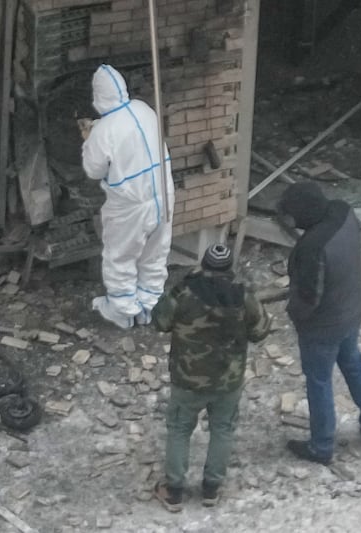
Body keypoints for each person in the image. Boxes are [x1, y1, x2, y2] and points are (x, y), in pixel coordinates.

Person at [151, 244, 271, 511]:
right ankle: (211, 489)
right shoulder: (244, 295)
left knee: (180, 429)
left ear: (203, 265)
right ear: (230, 268)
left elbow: (159, 322)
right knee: (222, 429)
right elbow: (261, 331)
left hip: (187, 378)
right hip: (228, 380)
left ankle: (174, 491)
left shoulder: (183, 292)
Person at [278, 182, 361, 465]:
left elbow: (309, 297)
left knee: (319, 381)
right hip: (352, 307)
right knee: (353, 363)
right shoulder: (343, 211)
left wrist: (296, 317)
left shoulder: (313, 246)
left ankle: (321, 445)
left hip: (324, 325)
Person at [81, 64, 175, 330]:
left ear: (98, 96)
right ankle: (149, 305)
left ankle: (122, 311)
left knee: (120, 256)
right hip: (163, 193)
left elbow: (93, 169)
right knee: (155, 252)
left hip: (131, 205)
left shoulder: (103, 131)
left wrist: (89, 139)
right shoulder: (144, 110)